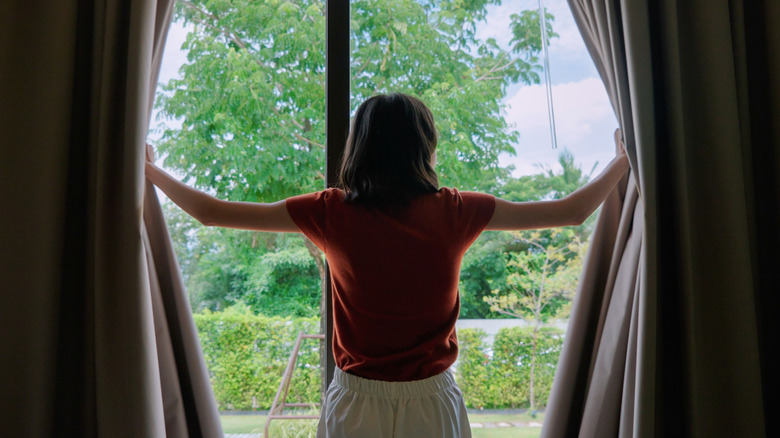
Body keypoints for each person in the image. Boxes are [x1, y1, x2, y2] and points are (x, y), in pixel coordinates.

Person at [145, 93, 629, 438]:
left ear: (360, 145)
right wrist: (623, 161)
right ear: (425, 145)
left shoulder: (331, 211)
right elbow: (569, 211)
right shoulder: (457, 210)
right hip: (432, 402)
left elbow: (210, 213)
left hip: (358, 401)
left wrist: (149, 170)